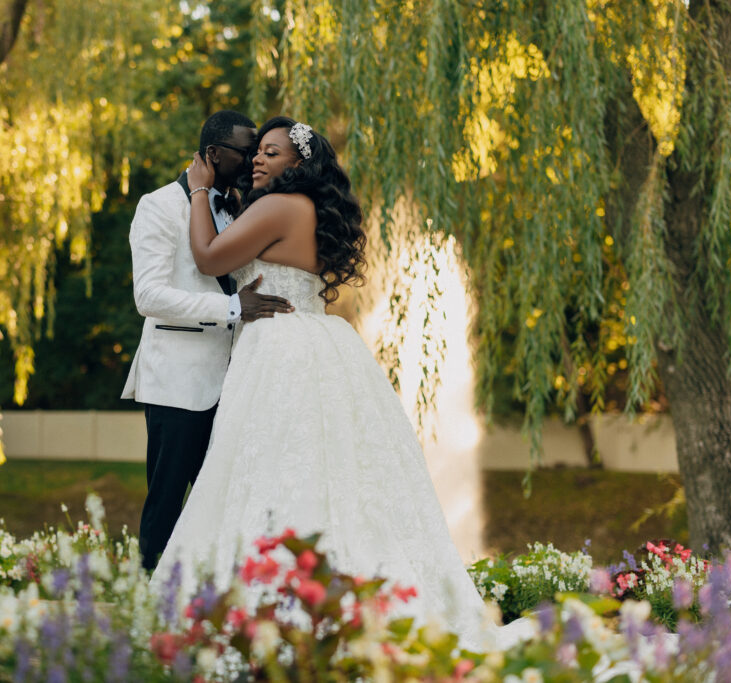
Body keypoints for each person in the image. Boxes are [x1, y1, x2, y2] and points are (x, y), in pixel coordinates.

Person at [150, 116, 530, 650]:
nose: (259, 158)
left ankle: (274, 602)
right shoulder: (310, 211)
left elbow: (209, 256)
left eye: (273, 153)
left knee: (267, 466)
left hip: (277, 344)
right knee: (327, 471)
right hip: (319, 341)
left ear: (299, 165)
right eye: (257, 151)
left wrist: (197, 191)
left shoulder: (278, 207)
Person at [122, 110, 294, 571]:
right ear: (214, 154)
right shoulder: (157, 205)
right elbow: (149, 295)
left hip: (238, 381)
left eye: (262, 150)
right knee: (168, 503)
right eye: (247, 151)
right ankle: (151, 606)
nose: (254, 159)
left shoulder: (242, 205)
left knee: (224, 504)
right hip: (179, 381)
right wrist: (233, 308)